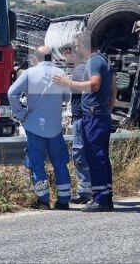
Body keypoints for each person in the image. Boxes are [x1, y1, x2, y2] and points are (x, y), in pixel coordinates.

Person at [53, 31, 118, 212]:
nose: (76, 49)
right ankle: (105, 196)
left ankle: (100, 199)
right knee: (102, 157)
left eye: (77, 45)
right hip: (101, 114)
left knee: (95, 157)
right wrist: (107, 110)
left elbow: (94, 84)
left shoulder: (94, 61)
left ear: (83, 46)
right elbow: (114, 88)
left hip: (94, 115)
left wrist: (69, 83)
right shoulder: (105, 60)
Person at [8, 46, 73, 210]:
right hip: (55, 126)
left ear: (35, 59)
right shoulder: (60, 73)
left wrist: (21, 113)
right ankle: (64, 200)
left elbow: (12, 93)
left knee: (37, 163)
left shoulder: (29, 73)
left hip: (34, 125)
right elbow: (67, 97)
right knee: (60, 163)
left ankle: (43, 200)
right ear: (51, 58)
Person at [66, 45, 92, 204]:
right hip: (83, 117)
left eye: (66, 55)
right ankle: (89, 189)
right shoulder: (83, 68)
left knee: (79, 154)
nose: (64, 59)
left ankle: (84, 191)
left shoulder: (79, 69)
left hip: (81, 118)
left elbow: (86, 90)